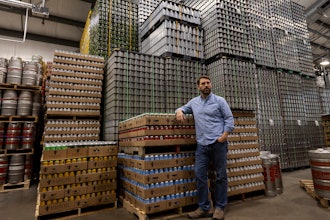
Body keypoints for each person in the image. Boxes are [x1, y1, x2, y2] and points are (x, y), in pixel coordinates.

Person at [175, 75, 234, 220]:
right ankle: (204, 207)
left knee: (220, 176)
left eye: (208, 83)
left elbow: (229, 119)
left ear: (211, 85)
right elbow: (183, 108)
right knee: (200, 175)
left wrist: (224, 136)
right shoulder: (194, 102)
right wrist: (179, 111)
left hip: (218, 144)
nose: (206, 85)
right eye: (203, 83)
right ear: (198, 87)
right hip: (202, 145)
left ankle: (220, 207)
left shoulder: (220, 101)